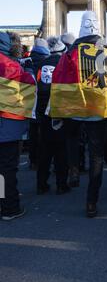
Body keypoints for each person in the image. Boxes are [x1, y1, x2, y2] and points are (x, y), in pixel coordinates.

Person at [49, 11, 107, 217]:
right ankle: (91, 202)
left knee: (72, 138)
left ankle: (74, 168)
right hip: (97, 110)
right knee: (97, 156)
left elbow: (58, 81)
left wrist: (56, 111)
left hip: (74, 109)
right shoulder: (104, 52)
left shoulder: (69, 53)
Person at [0, 31, 36, 220]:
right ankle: (9, 207)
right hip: (8, 124)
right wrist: (28, 71)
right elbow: (29, 91)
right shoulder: (12, 67)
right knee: (7, 168)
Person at [36, 36, 70, 195]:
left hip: (43, 110)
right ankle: (62, 184)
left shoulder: (42, 64)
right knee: (61, 150)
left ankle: (41, 183)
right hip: (60, 109)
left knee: (45, 149)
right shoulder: (65, 63)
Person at [27, 38, 50, 169]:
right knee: (45, 132)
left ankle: (33, 159)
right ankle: (43, 158)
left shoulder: (28, 62)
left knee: (33, 132)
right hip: (45, 101)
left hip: (31, 102)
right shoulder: (47, 61)